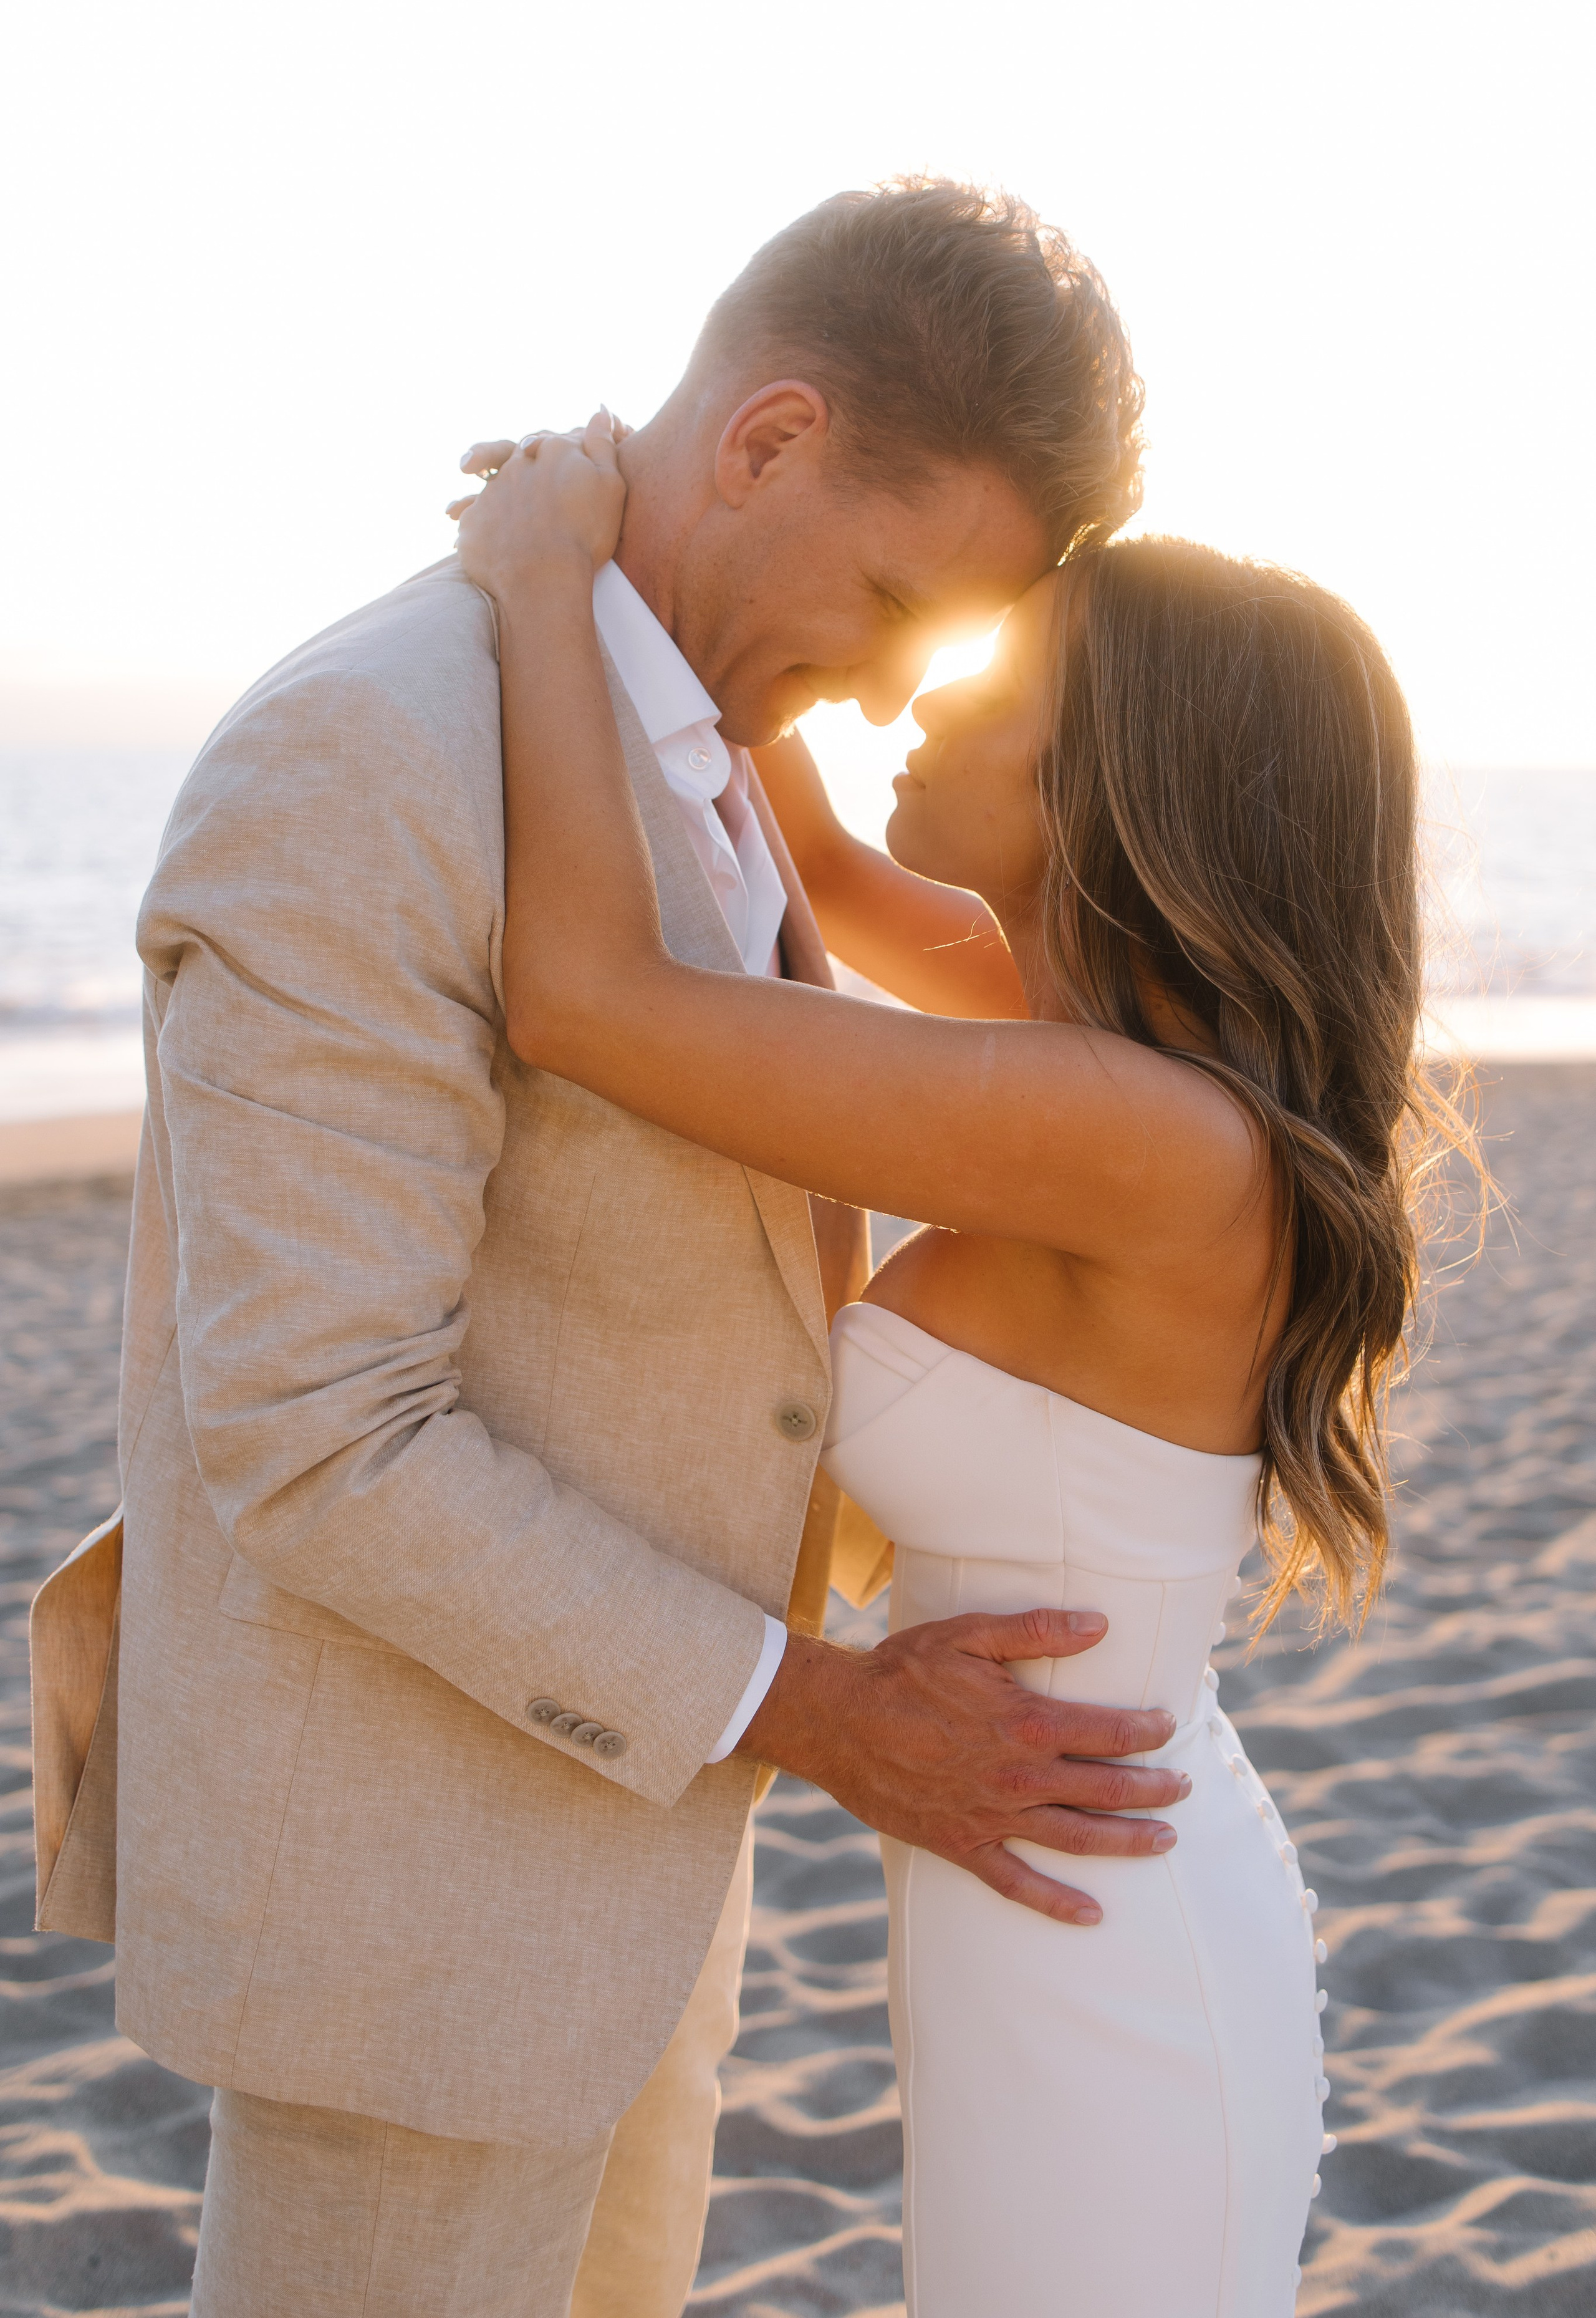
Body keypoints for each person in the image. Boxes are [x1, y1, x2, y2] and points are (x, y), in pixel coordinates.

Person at [27, 181, 1191, 2318]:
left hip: (633, 1858)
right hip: (411, 1917)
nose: (891, 680)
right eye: (899, 595)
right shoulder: (368, 756)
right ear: (765, 440)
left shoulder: (710, 741)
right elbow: (311, 1431)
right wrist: (820, 1709)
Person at [451, 415, 1476, 2316]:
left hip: (1106, 1938)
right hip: (1059, 1883)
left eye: (1000, 672)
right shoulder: (1093, 1050)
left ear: (1115, 770)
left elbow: (582, 999)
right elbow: (814, 852)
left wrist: (531, 577)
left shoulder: (1143, 1134)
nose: (916, 693)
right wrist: (687, 530)